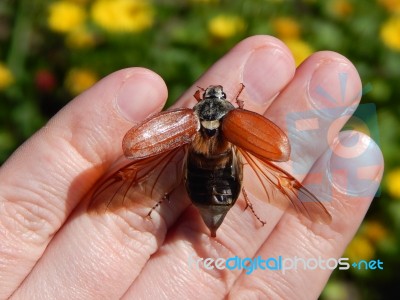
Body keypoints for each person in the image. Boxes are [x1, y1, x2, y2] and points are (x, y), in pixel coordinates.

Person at [0, 36, 383, 299]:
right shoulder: (233, 120)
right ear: (229, 105)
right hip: (225, 184)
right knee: (255, 169)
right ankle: (232, 203)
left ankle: (176, 197)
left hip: (198, 179)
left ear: (200, 103)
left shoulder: (190, 123)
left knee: (154, 171)